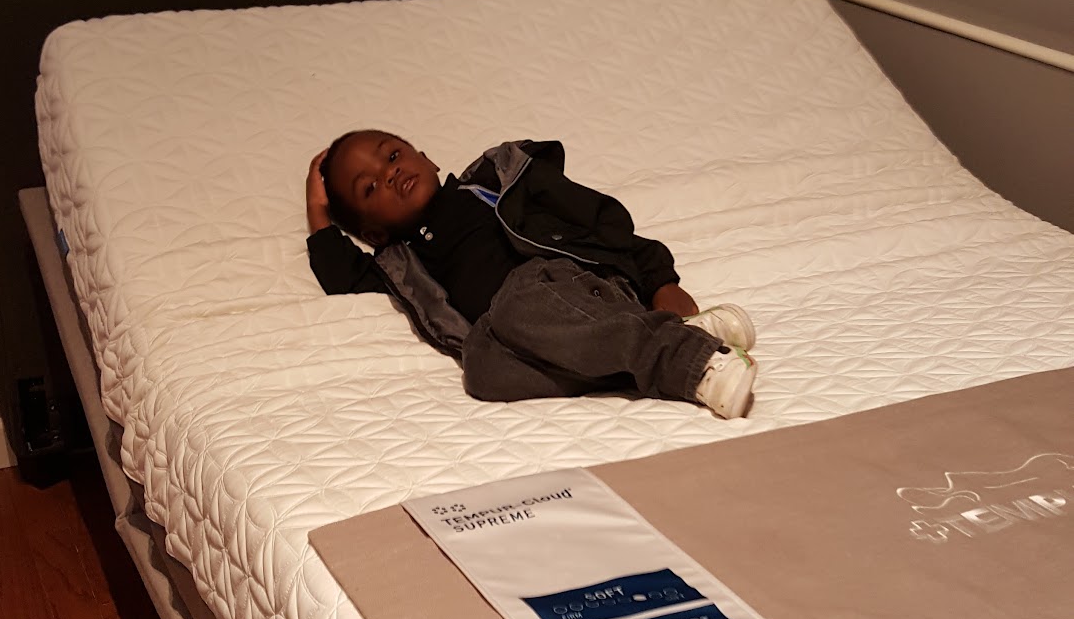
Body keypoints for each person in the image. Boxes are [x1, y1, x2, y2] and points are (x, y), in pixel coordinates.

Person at [304, 130, 758, 418]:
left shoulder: (494, 183)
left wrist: (660, 280)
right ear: (373, 233)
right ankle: (682, 337)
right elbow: (342, 276)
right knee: (480, 370)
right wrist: (317, 210)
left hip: (573, 286)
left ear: (428, 159)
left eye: (393, 155)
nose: (390, 173)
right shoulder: (401, 264)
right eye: (370, 187)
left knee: (517, 300)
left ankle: (692, 363)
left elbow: (599, 221)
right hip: (515, 335)